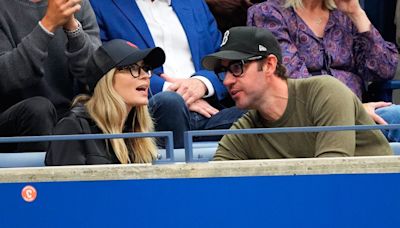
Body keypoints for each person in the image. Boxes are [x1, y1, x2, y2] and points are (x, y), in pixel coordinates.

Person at [202, 26, 392, 160]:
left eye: (237, 67)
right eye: (223, 72)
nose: (227, 80)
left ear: (269, 65)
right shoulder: (245, 130)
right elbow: (213, 185)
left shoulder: (325, 92)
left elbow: (331, 180)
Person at [89, 0, 245, 148]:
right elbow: (103, 64)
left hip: (208, 110)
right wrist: (176, 92)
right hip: (148, 111)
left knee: (260, 107)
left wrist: (202, 83)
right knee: (171, 102)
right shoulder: (101, 6)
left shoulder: (194, 4)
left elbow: (223, 58)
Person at [247, 0, 400, 142]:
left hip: (357, 116)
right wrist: (352, 110)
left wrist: (356, 13)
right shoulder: (268, 13)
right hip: (302, 119)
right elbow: (291, 80)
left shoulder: (343, 14)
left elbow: (384, 69)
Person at [0, 0, 100, 152]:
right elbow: (6, 77)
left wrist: (73, 28)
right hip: (15, 120)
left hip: (70, 117)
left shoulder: (77, 4)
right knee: (38, 110)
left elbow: (96, 74)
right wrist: (48, 25)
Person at [46, 39, 165, 165]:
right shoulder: (72, 128)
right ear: (107, 79)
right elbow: (67, 184)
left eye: (146, 68)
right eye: (133, 68)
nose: (145, 76)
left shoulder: (137, 133)